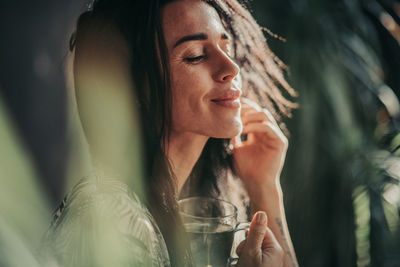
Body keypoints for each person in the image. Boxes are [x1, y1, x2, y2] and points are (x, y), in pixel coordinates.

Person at [44, 0, 299, 266]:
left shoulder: (186, 214)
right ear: (134, 85)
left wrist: (264, 187)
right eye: (196, 55)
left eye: (227, 47)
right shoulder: (113, 219)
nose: (231, 69)